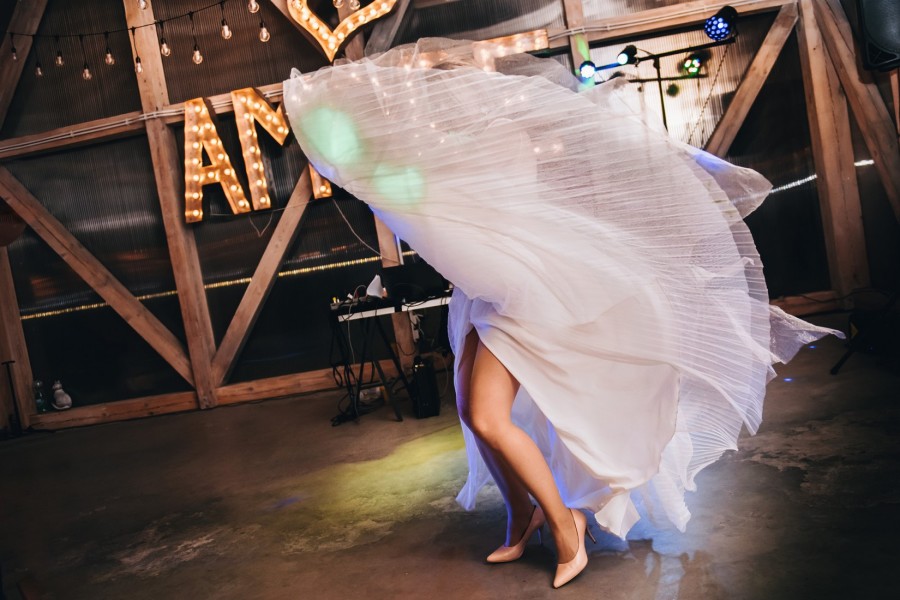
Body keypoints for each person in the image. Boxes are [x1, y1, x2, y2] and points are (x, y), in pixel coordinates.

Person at [284, 38, 837, 588]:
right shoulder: (450, 147)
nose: (435, 106)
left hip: (523, 290)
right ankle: (520, 514)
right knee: (469, 409)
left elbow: (487, 214)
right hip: (487, 291)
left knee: (488, 417)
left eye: (442, 93)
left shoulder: (497, 137)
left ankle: (565, 524)